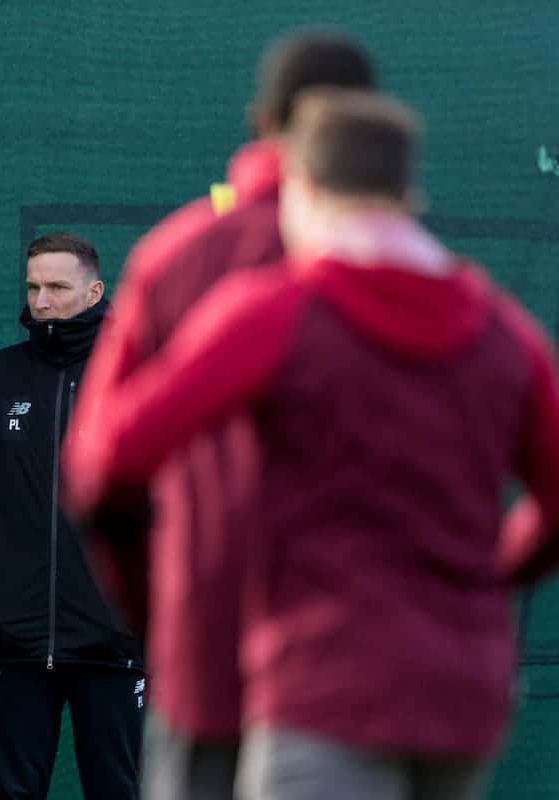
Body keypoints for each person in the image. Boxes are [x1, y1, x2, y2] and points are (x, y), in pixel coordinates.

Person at [66, 88, 559, 800]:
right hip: (463, 693)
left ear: (301, 189)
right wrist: (492, 577)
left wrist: (151, 602)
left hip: (321, 686)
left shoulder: (279, 312)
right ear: (408, 194)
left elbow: (113, 456)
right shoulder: (502, 330)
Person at [64, 31, 374, 799]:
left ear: (259, 119)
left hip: (211, 654)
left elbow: (101, 469)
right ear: (373, 123)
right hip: (360, 658)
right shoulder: (402, 266)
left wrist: (163, 612)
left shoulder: (179, 258)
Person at [0, 233, 144, 799]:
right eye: (33, 287)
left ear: (95, 291)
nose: (42, 300)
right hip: (16, 640)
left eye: (57, 287)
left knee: (118, 789)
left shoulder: (138, 375)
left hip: (113, 642)